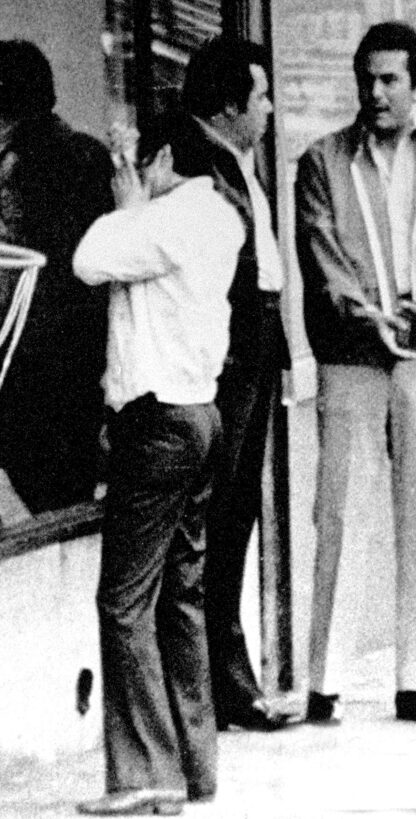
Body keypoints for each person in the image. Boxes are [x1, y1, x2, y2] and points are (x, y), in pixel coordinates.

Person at [295, 20, 416, 725]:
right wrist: (365, 315)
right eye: (366, 79)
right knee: (338, 510)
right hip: (352, 356)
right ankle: (325, 681)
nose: (374, 93)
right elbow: (321, 252)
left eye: (389, 80)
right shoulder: (322, 161)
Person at [73, 112, 244, 815]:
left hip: (156, 422)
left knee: (123, 601)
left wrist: (130, 207)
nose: (131, 170)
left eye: (141, 159)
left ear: (167, 156)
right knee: (181, 597)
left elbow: (87, 259)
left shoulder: (165, 217)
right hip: (200, 415)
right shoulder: (220, 217)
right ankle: (194, 766)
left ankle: (145, 772)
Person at [181, 37, 292, 732]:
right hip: (229, 359)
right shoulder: (196, 160)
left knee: (238, 511)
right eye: (261, 96)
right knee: (222, 517)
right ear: (229, 106)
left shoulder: (234, 158)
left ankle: (228, 676)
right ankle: (221, 682)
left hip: (256, 347)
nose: (272, 109)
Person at [0, 40, 112, 514]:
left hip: (25, 374)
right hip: (81, 370)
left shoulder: (15, 168)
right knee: (67, 509)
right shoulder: (89, 156)